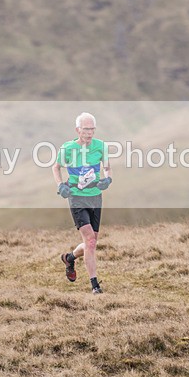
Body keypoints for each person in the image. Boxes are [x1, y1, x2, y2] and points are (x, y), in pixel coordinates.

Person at [53, 112, 112, 294]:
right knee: (90, 240)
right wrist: (60, 185)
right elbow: (56, 167)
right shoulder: (68, 148)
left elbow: (107, 167)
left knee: (91, 243)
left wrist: (107, 179)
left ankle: (69, 258)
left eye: (92, 129)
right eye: (86, 129)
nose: (90, 133)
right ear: (77, 130)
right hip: (77, 197)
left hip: (95, 197)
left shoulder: (100, 146)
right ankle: (95, 285)